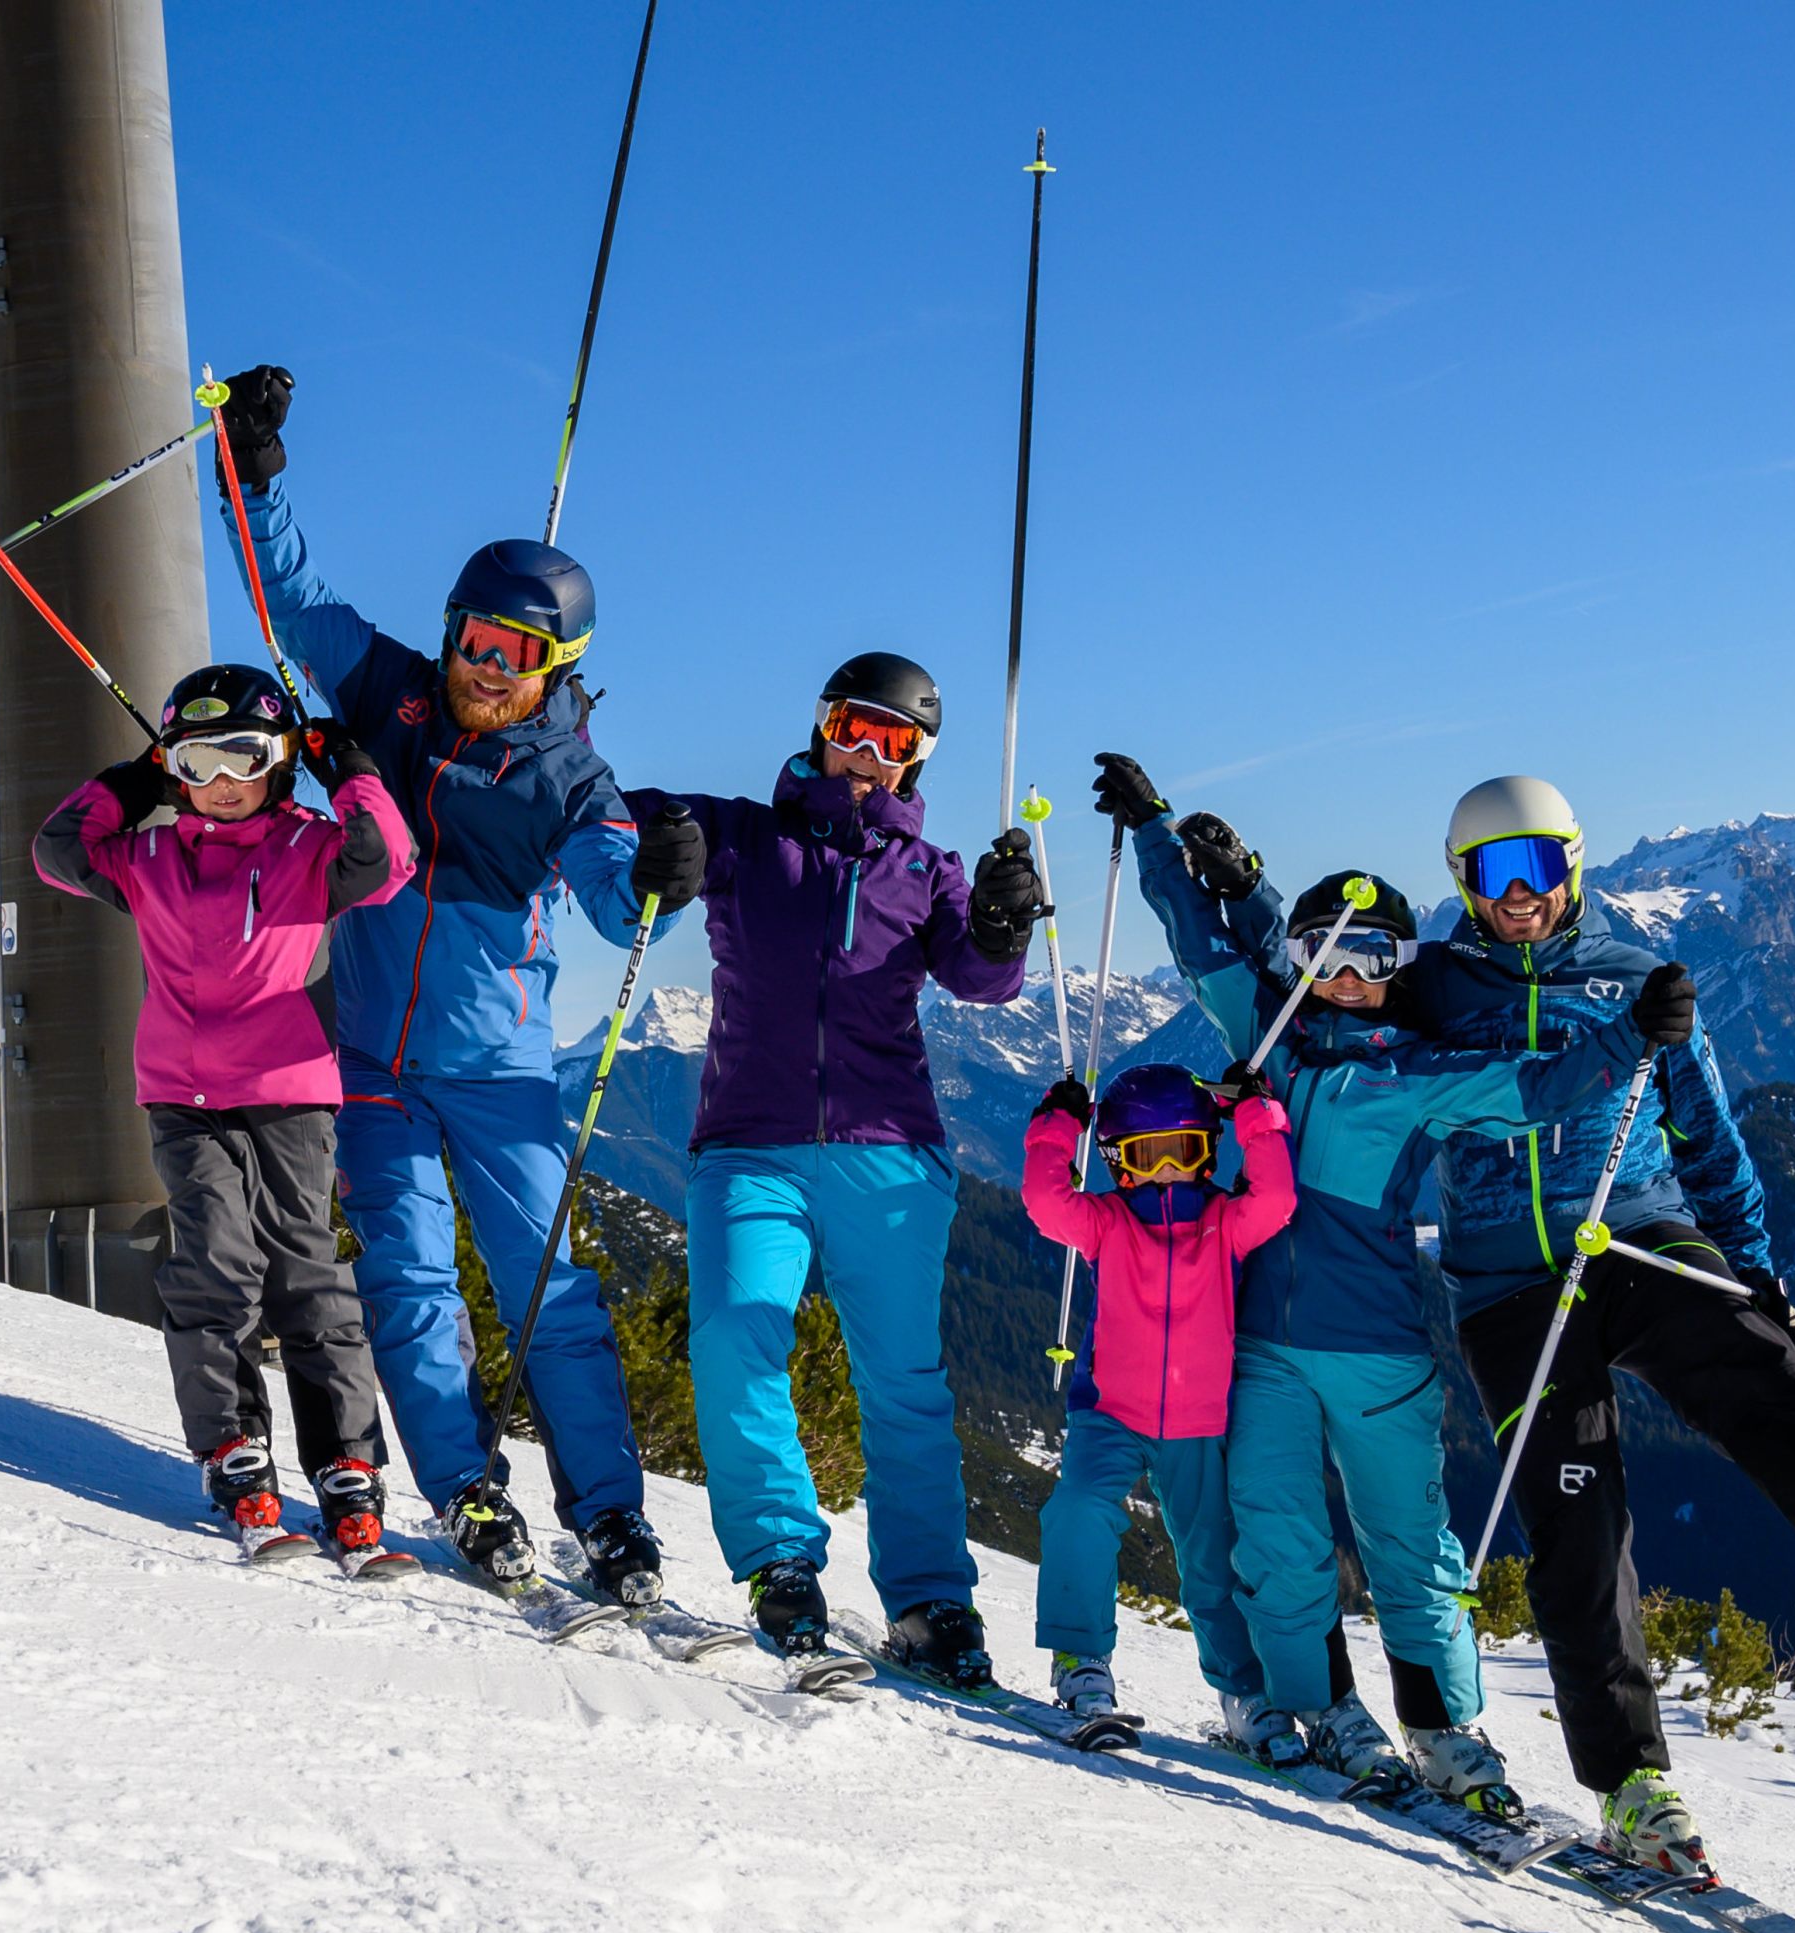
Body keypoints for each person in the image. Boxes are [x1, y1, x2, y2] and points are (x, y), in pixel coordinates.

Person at [1090, 754, 1685, 1804]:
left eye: (1375, 955)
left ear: (1403, 964)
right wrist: (1152, 828)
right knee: (1279, 1546)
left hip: (1377, 1355)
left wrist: (1633, 1035)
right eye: (1325, 952)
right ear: (1301, 955)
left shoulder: (1420, 1077)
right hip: (1262, 1351)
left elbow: (1540, 1087)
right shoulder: (1263, 1042)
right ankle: (1324, 1710)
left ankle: (1444, 1730)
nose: (1349, 974)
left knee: (1410, 1549)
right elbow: (1199, 938)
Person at [210, 365, 708, 1604]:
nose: (489, 667)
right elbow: (294, 601)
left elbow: (606, 887)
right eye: (477, 640)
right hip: (373, 1062)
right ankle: (468, 1489)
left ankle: (609, 1516)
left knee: (551, 1292)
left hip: (500, 1076)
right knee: (410, 1284)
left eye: (519, 653)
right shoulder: (391, 695)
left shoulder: (569, 778)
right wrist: (255, 477)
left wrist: (653, 876)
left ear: (558, 663)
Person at [1404, 774, 1795, 1875]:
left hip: (1636, 1233)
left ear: (1575, 866)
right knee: (1577, 1520)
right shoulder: (1430, 990)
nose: (1520, 895)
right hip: (1506, 1284)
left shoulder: (1635, 981)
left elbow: (1710, 1139)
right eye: (1494, 874)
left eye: (1539, 868)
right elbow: (1313, 1006)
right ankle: (1632, 1781)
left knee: (1747, 1357)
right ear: (1464, 883)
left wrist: (1754, 1274)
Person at [624, 653, 1042, 1685]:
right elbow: (621, 814)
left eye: (895, 743)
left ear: (917, 764)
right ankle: (779, 1561)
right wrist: (659, 841)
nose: (867, 754)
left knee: (902, 1382)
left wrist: (1001, 917)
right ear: (820, 728)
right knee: (735, 1335)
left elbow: (986, 983)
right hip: (749, 1148)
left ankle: (932, 1597)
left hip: (889, 1158)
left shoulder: (931, 872)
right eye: (854, 728)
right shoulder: (744, 835)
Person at [30, 664, 418, 1570]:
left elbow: (389, 857)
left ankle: (347, 1467)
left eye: (242, 756)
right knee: (216, 1267)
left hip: (289, 1092)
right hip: (184, 1096)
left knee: (306, 1275)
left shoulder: (311, 848)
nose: (221, 781)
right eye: (196, 761)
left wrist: (347, 764)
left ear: (279, 760)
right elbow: (58, 850)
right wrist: (129, 783)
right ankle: (232, 1451)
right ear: (173, 769)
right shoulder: (149, 857)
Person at [1021, 1062, 1296, 1737]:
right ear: (1118, 1163)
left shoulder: (1225, 1224)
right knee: (1080, 1511)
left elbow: (1277, 1199)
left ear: (1209, 1152)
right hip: (1110, 1413)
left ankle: (1243, 1693)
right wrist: (1059, 1126)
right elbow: (1046, 1202)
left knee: (1213, 1558)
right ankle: (1080, 1660)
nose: (1168, 1172)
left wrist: (1256, 1117)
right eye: (1149, 1157)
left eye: (1186, 1152)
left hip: (1201, 1424)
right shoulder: (1107, 1224)